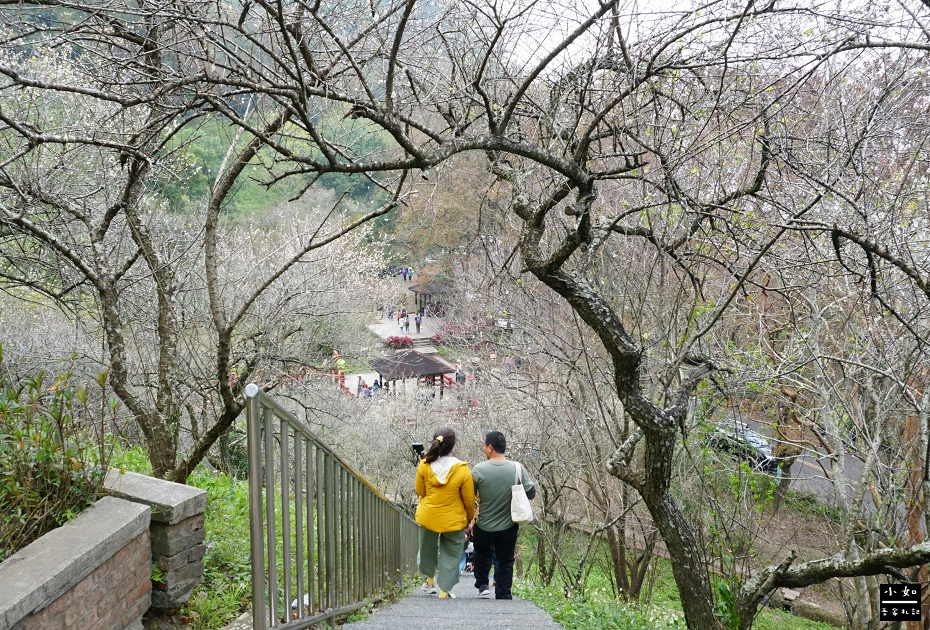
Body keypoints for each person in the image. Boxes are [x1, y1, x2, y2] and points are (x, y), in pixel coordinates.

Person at [470, 431, 535, 600]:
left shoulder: (478, 470)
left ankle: (482, 584)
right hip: (508, 525)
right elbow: (531, 493)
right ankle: (504, 593)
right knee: (506, 560)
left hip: (484, 524)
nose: (483, 448)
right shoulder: (517, 468)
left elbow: (469, 497)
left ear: (490, 448)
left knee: (481, 553)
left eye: (484, 445)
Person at [415, 428, 475, 599]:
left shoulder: (424, 465)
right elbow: (469, 500)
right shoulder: (462, 469)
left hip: (429, 516)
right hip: (453, 518)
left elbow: (420, 490)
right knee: (451, 552)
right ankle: (444, 591)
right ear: (453, 447)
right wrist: (469, 519)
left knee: (427, 548)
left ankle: (429, 580)